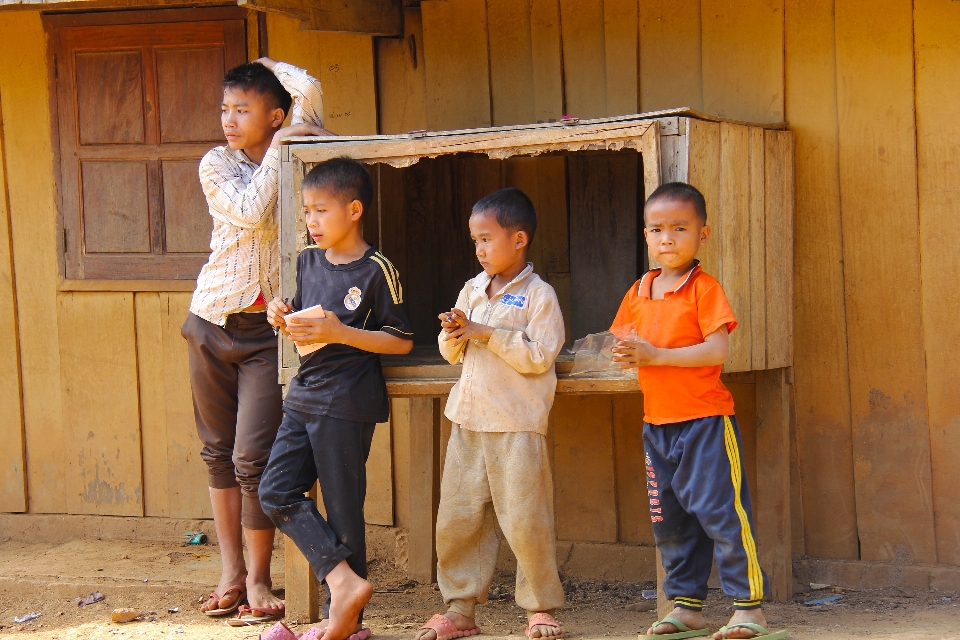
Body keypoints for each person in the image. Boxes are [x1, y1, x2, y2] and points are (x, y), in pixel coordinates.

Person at [181, 58, 328, 623]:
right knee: (218, 454)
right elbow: (249, 209)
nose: (229, 119)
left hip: (267, 335)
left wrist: (275, 72)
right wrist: (282, 143)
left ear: (274, 114)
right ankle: (231, 573)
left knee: (254, 458)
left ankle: (262, 578)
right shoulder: (219, 163)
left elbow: (308, 91)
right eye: (225, 108)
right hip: (211, 321)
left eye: (243, 109)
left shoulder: (295, 155)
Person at [611, 183, 787, 640]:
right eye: (656, 229)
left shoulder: (704, 289)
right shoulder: (639, 290)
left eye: (679, 228)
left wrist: (655, 356)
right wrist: (624, 353)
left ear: (702, 234)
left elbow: (716, 350)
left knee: (721, 512)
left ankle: (749, 608)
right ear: (645, 235)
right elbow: (625, 342)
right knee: (669, 519)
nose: (666, 238)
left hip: (705, 422)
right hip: (657, 425)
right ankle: (686, 607)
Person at [260, 158, 415, 640]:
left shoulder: (378, 269)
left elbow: (401, 339)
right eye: (306, 212)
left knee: (345, 511)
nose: (311, 222)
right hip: (305, 395)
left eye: (320, 211)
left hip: (348, 403)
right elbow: (306, 322)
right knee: (276, 491)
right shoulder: (308, 260)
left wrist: (341, 331)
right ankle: (344, 582)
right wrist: (281, 315)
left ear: (353, 210)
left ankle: (345, 622)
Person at [414, 188, 567, 640]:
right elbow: (451, 356)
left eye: (487, 239)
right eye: (475, 241)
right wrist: (455, 332)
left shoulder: (540, 296)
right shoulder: (472, 289)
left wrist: (485, 331)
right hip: (468, 420)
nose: (479, 249)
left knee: (525, 519)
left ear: (519, 239)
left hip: (516, 424)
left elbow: (540, 356)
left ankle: (540, 608)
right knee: (459, 518)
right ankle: (460, 609)